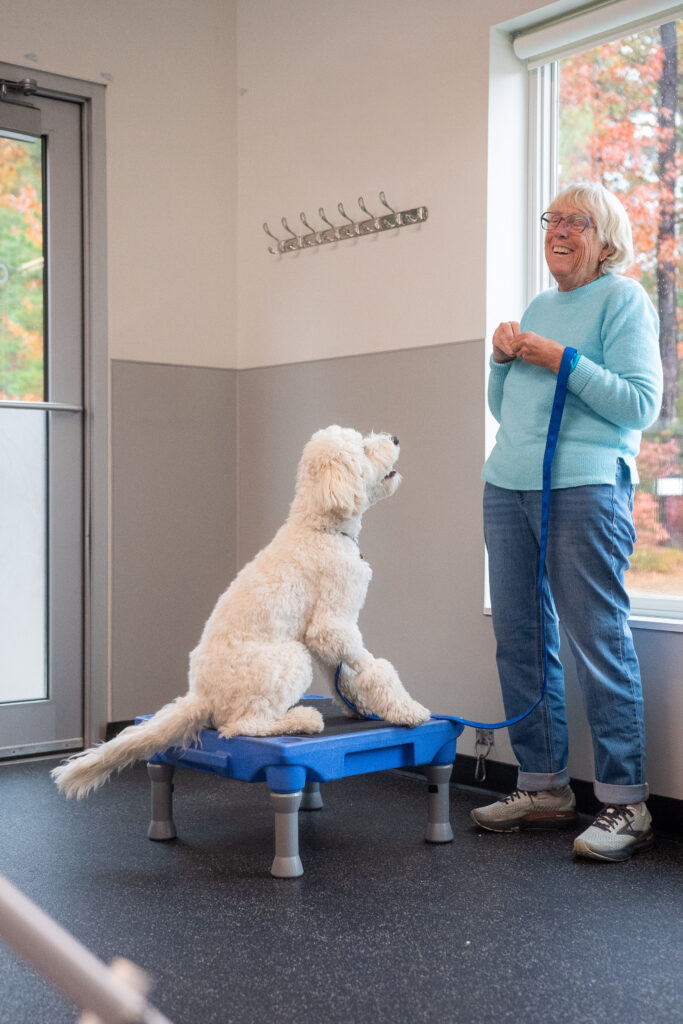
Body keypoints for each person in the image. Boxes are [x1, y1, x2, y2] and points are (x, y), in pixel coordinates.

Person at [473, 181, 663, 862]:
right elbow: (508, 409)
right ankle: (543, 787)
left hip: (583, 484)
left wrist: (565, 360)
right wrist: (499, 362)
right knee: (520, 641)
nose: (558, 231)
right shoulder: (538, 305)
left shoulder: (622, 299)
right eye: (551, 220)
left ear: (604, 237)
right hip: (508, 483)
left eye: (575, 222)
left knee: (594, 638)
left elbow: (639, 405)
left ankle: (624, 802)